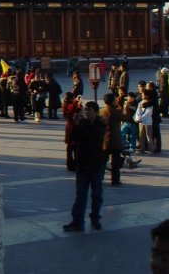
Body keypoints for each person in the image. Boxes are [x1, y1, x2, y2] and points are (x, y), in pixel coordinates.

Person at [63, 101, 106, 232]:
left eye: (89, 110)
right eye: (85, 110)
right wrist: (75, 124)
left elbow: (96, 135)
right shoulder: (82, 122)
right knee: (80, 194)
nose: (86, 112)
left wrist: (85, 122)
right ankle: (77, 221)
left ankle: (95, 218)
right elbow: (73, 138)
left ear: (96, 112)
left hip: (96, 164)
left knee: (97, 194)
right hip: (82, 164)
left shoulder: (100, 123)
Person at [101, 93, 124, 186]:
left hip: (105, 141)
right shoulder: (116, 112)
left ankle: (99, 177)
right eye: (115, 100)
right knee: (115, 163)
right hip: (115, 141)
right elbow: (127, 118)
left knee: (102, 162)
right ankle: (115, 180)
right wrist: (122, 108)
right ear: (112, 101)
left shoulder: (101, 111)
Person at [62, 92, 80, 170]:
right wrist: (76, 102)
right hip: (72, 127)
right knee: (73, 147)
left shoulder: (66, 104)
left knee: (71, 147)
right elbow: (72, 110)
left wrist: (78, 104)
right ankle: (73, 164)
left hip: (71, 127)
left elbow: (76, 109)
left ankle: (72, 163)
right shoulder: (67, 105)